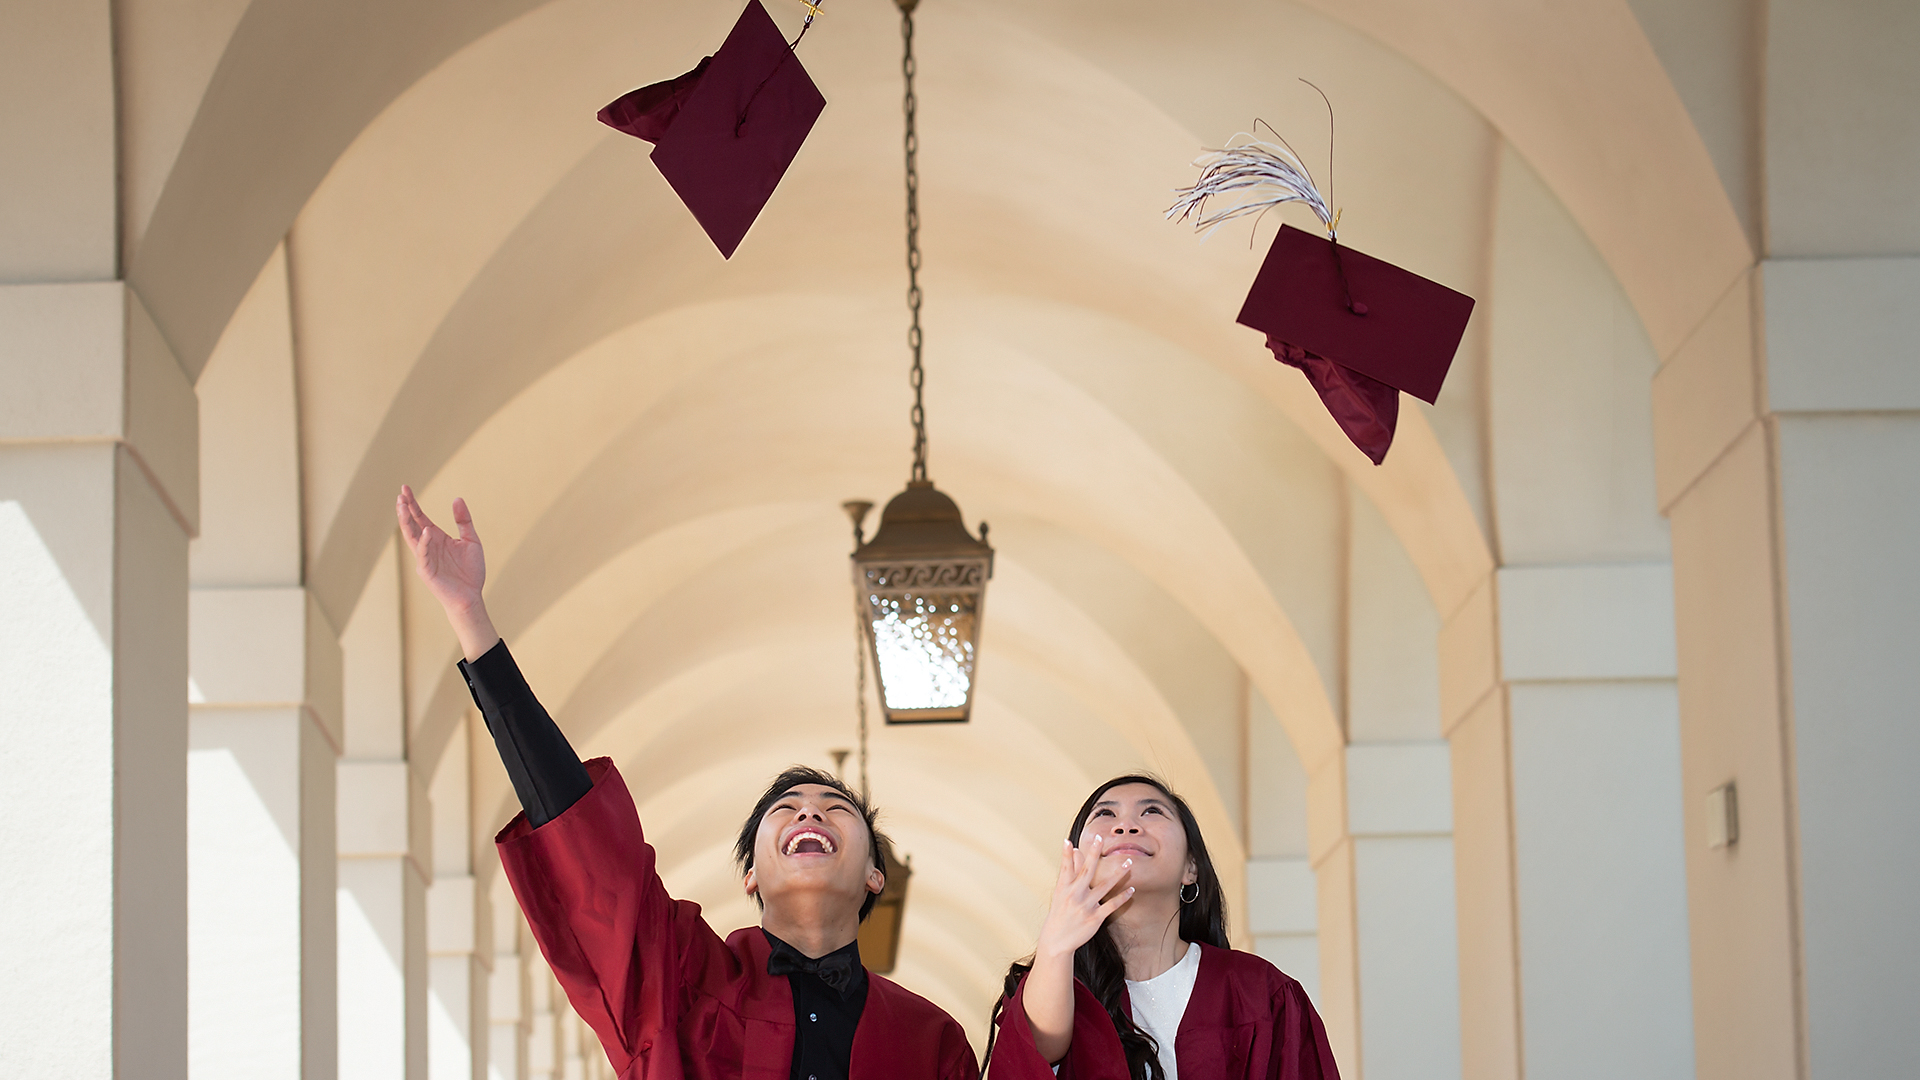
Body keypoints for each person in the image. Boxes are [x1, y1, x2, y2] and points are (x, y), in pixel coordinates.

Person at [396, 486, 978, 1080]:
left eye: (835, 807)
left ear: (875, 873)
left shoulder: (932, 1043)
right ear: (750, 872)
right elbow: (594, 857)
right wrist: (471, 619)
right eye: (787, 808)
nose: (809, 814)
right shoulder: (677, 986)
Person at [984, 776, 1339, 1080]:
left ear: (1191, 868)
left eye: (1152, 811)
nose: (1126, 826)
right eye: (1105, 814)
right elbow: (1038, 1053)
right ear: (1078, 862)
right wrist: (1056, 945)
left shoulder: (1259, 992)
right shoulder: (1053, 987)